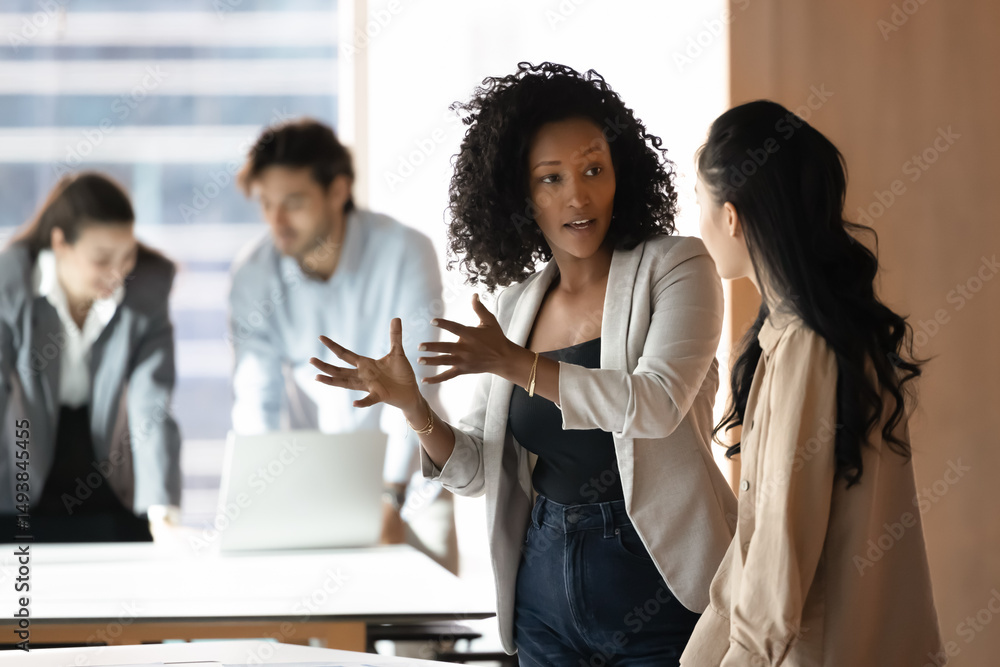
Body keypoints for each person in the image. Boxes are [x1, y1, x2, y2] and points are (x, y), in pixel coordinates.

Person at [310, 62, 737, 665]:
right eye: (551, 179)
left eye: (594, 171)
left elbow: (657, 404)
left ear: (623, 174)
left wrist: (521, 367)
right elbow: (478, 471)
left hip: (657, 581)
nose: (578, 196)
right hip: (542, 587)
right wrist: (414, 408)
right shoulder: (515, 308)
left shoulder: (674, 267)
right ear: (519, 195)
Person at [680, 100, 941, 665]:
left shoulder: (805, 347)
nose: (695, 225)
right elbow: (751, 559)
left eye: (698, 204)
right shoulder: (803, 334)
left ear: (731, 217)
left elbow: (774, 578)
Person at [229, 118, 457, 572]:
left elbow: (418, 379)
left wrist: (392, 494)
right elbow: (258, 398)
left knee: (431, 633)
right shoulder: (254, 274)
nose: (277, 222)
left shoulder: (405, 251)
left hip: (412, 471)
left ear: (338, 191)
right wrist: (262, 503)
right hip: (312, 486)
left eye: (293, 203)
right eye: (267, 204)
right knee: (314, 637)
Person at [0, 172, 182, 542]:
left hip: (110, 471)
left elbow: (151, 402)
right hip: (24, 465)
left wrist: (162, 508)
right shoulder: (10, 288)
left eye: (127, 256)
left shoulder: (145, 294)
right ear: (60, 243)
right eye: (102, 259)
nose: (118, 274)